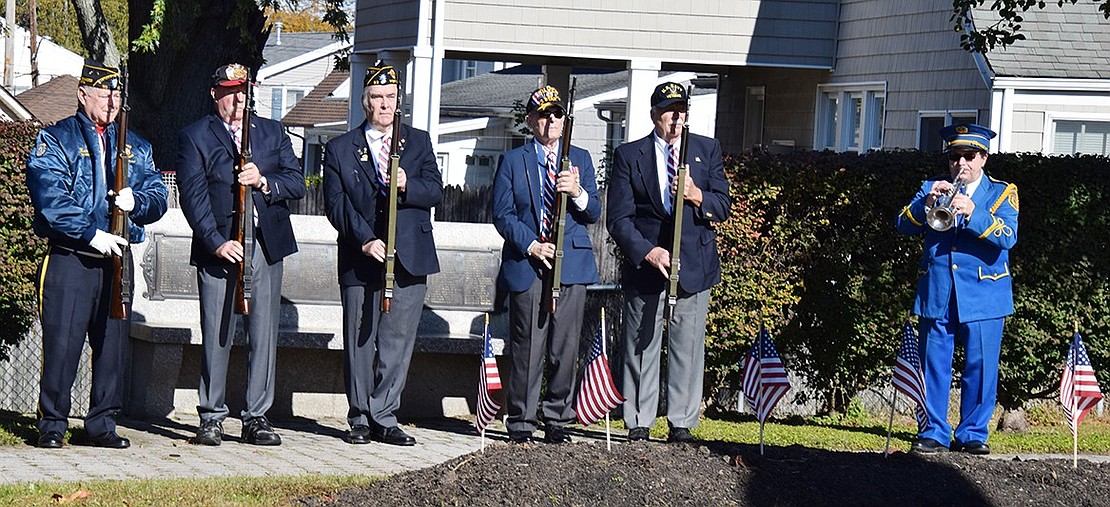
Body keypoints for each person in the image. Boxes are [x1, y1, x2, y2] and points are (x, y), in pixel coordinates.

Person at [25, 59, 168, 449]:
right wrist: (91, 233)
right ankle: (52, 423)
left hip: (118, 256)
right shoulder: (56, 139)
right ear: (82, 94)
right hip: (72, 256)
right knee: (62, 344)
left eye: (117, 93)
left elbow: (159, 197)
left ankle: (102, 423)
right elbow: (51, 199)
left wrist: (137, 200)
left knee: (112, 346)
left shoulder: (137, 146)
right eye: (103, 93)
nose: (111, 101)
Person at [176, 63, 305, 446]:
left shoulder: (272, 131)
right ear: (215, 94)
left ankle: (257, 417)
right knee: (217, 332)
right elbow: (193, 196)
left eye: (243, 91)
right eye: (229, 91)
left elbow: (296, 182)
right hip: (221, 248)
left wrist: (264, 181)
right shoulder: (196, 136)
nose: (237, 99)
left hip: (265, 245)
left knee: (263, 334)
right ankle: (212, 416)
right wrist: (216, 241)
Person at [322, 62, 442, 446]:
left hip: (408, 256)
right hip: (362, 256)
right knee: (360, 338)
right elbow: (335, 203)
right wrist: (364, 239)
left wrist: (408, 185)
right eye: (377, 97)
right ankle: (359, 416)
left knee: (397, 340)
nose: (384, 105)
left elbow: (436, 190)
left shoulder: (418, 142)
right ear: (364, 102)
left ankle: (385, 415)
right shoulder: (341, 149)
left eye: (390, 97)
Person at [606, 82, 731, 443]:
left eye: (681, 110)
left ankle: (681, 422)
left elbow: (722, 205)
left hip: (693, 265)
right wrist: (647, 251)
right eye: (669, 111)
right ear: (654, 116)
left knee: (687, 347)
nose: (676, 118)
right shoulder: (631, 155)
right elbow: (619, 218)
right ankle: (639, 420)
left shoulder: (706, 150)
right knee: (640, 344)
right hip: (648, 264)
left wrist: (697, 195)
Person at [896, 123, 1018, 456]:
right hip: (937, 291)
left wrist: (975, 214)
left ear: (983, 158)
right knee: (932, 364)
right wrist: (927, 204)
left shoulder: (1002, 193)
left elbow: (1008, 236)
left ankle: (972, 433)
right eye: (954, 157)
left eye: (968, 156)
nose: (960, 163)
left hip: (983, 295)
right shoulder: (931, 188)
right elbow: (902, 225)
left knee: (980, 367)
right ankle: (934, 430)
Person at [492, 85, 601, 444]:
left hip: (571, 262)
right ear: (530, 121)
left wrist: (578, 193)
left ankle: (558, 418)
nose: (550, 120)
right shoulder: (513, 161)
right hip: (529, 262)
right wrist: (532, 245)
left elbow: (594, 212)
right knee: (527, 345)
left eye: (556, 114)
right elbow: (503, 214)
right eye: (543, 114)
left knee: (564, 345)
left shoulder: (580, 159)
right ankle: (521, 420)